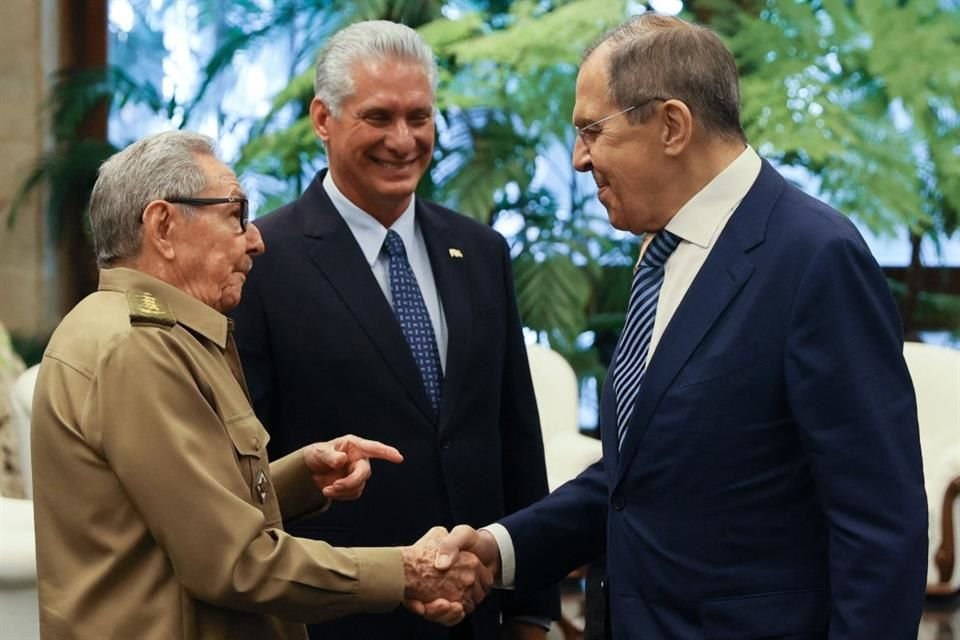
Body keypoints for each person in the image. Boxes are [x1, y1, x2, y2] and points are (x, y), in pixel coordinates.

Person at [437, 13, 929, 639]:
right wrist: (500, 548)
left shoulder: (815, 257)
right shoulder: (660, 251)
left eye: (592, 130)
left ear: (671, 125)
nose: (579, 159)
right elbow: (639, 477)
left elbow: (881, 523)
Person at [30, 130, 492, 640]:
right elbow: (232, 563)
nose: (256, 239)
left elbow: (178, 507)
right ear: (163, 226)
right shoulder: (137, 349)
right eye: (236, 215)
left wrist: (296, 479)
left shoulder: (154, 334)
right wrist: (405, 571)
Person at [228, 19, 558, 640]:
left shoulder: (481, 250)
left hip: (478, 613)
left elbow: (515, 436)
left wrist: (534, 608)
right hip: (340, 618)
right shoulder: (263, 261)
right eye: (378, 118)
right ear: (324, 119)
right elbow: (251, 466)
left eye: (420, 117)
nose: (403, 141)